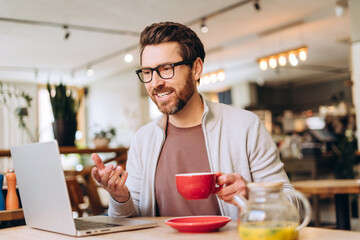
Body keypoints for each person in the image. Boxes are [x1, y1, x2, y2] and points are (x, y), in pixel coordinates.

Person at [91, 21, 300, 220]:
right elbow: (132, 219)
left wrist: (253, 194)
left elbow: (295, 209)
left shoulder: (245, 127)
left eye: (166, 69)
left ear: (196, 69)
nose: (155, 83)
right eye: (148, 72)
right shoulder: (143, 139)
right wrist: (119, 197)